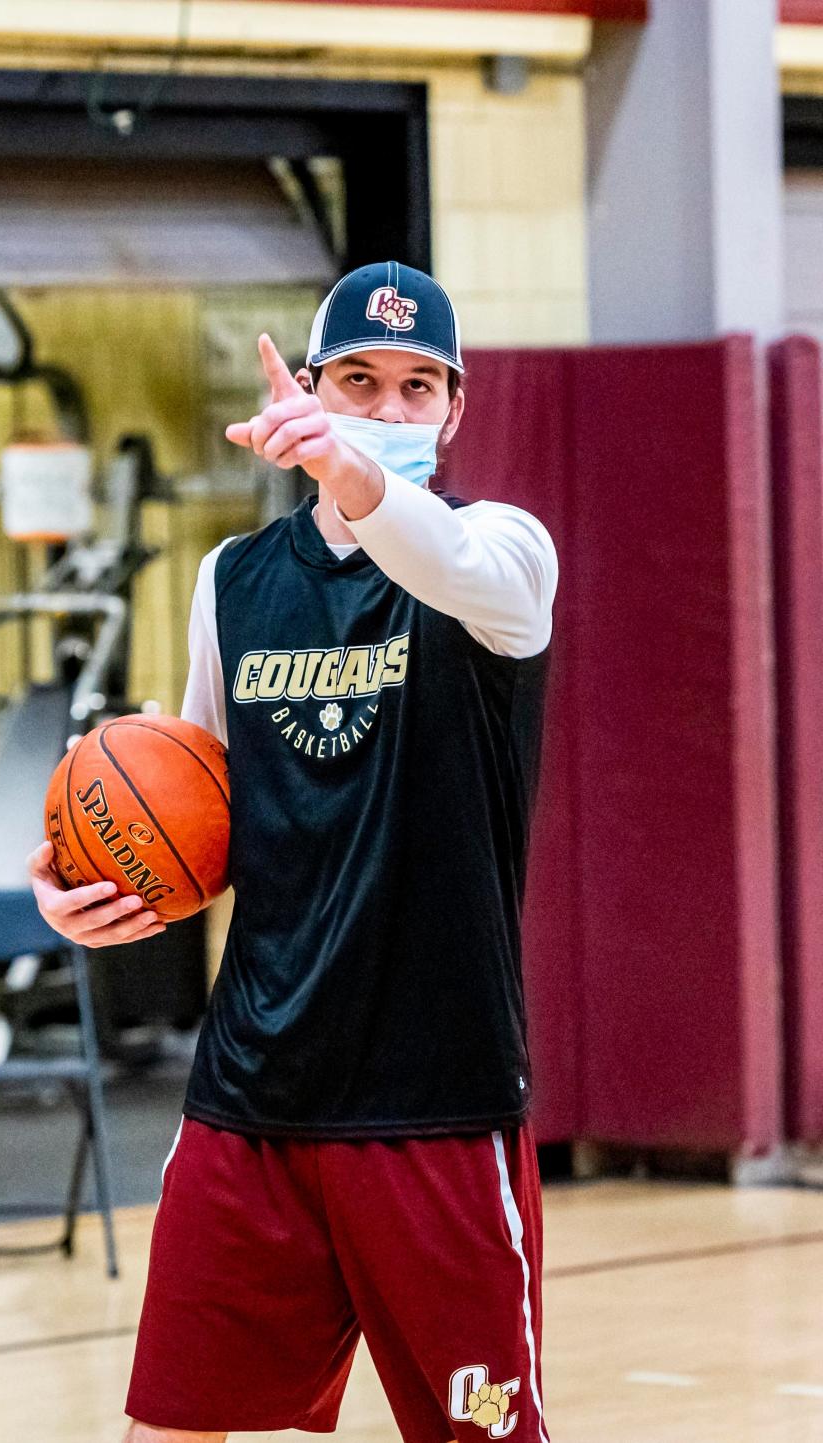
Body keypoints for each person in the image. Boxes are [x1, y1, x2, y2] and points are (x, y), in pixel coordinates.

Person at [28, 260, 558, 1443]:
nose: (385, 406)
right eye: (358, 381)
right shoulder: (236, 580)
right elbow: (202, 805)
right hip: (253, 1094)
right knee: (165, 1430)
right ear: (314, 384)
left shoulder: (506, 557)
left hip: (433, 1099)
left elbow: (440, 557)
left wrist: (349, 467)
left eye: (418, 387)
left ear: (455, 409)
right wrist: (82, 880)